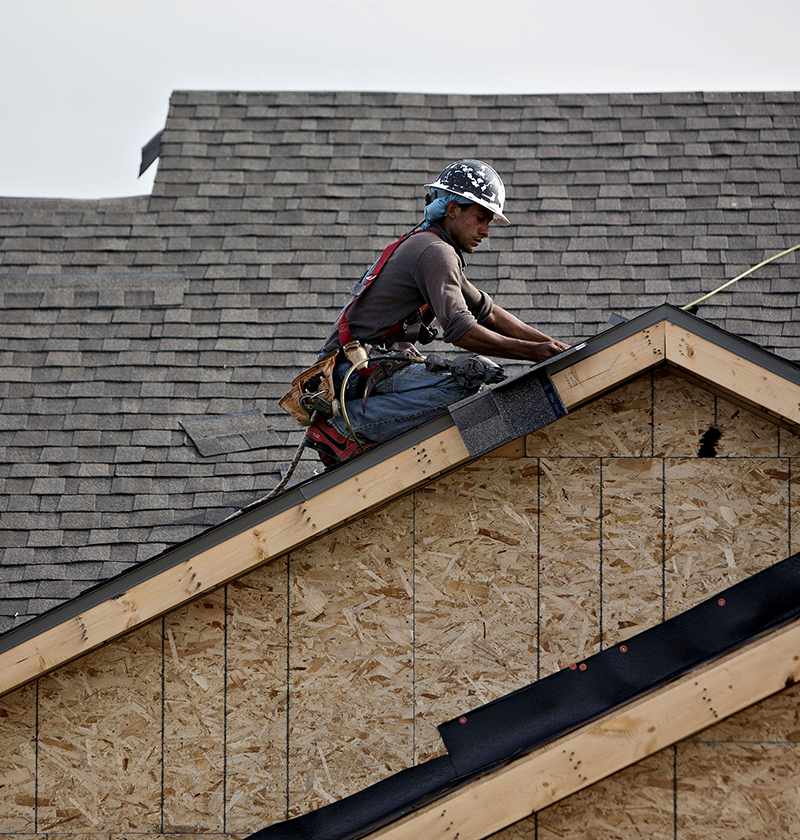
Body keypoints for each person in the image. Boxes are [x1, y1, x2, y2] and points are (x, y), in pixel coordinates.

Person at [305, 160, 570, 466]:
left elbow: (488, 312)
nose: (485, 231)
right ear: (453, 209)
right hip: (349, 374)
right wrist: (535, 352)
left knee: (467, 383)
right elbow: (462, 331)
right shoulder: (435, 252)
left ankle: (370, 427)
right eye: (481, 218)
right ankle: (343, 429)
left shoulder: (431, 245)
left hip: (361, 369)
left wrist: (551, 346)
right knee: (467, 381)